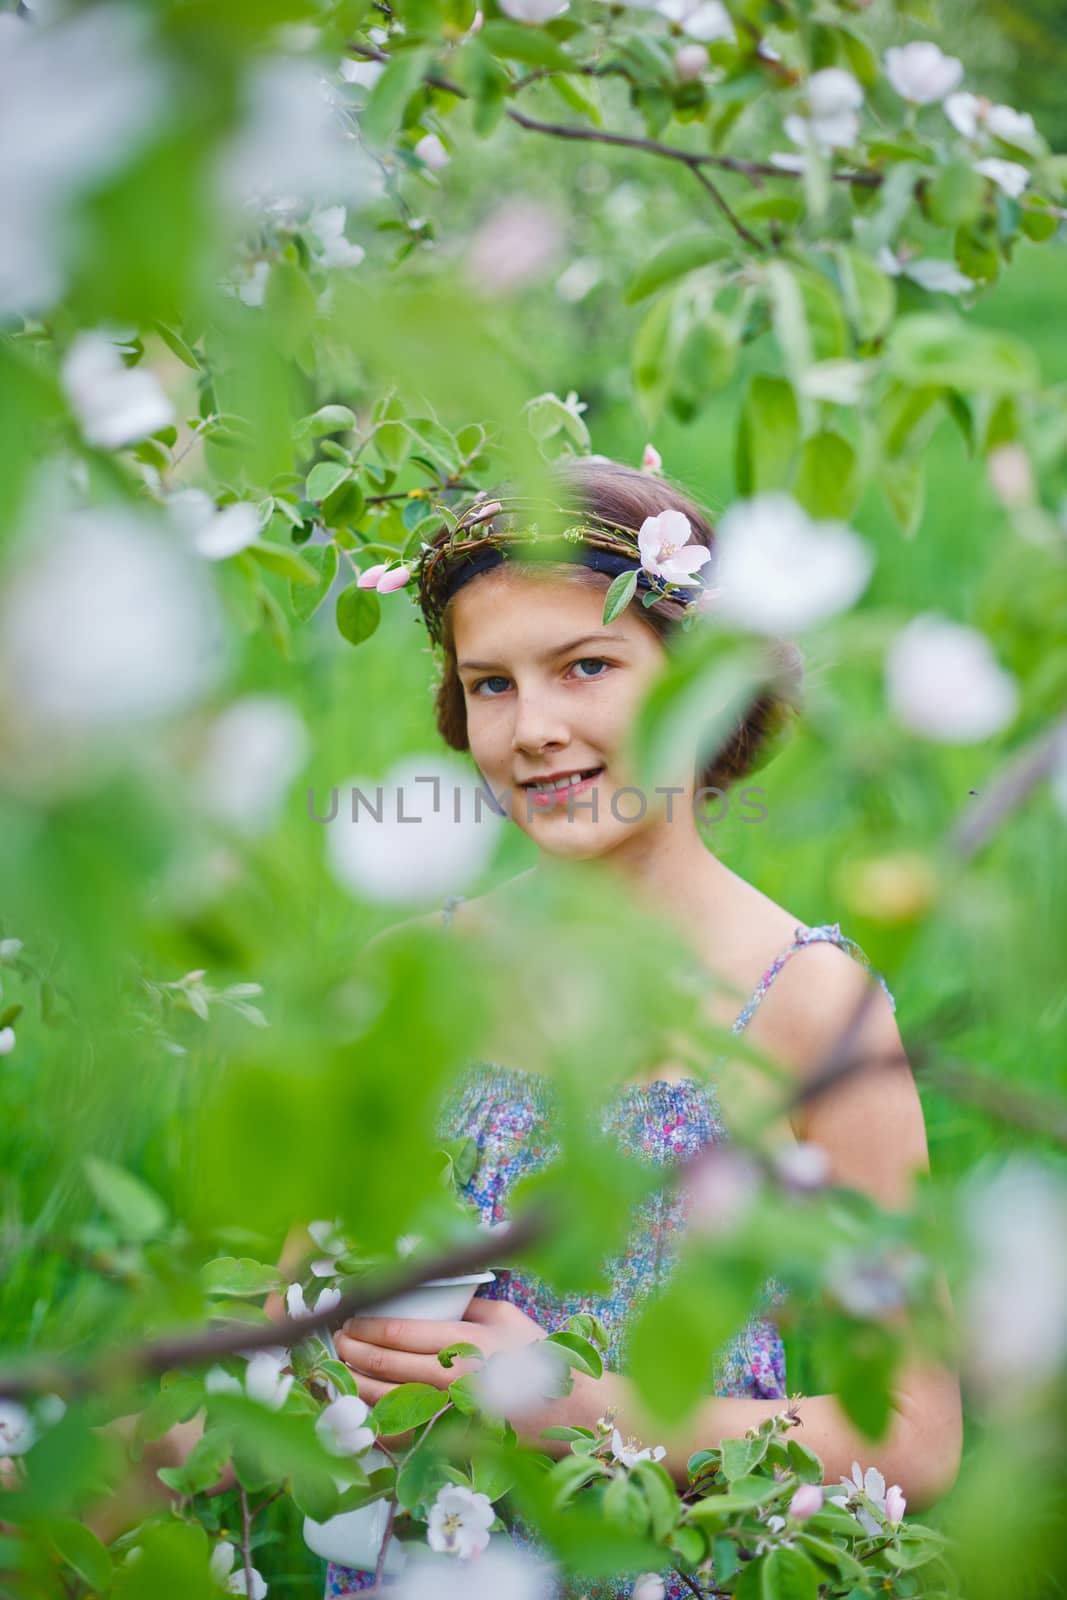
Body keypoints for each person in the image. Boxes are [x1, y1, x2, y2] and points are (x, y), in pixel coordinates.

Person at [325, 457, 963, 1598]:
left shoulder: (805, 1000)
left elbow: (912, 1433)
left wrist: (571, 1406)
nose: (535, 729)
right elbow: (298, 1330)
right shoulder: (415, 973)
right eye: (492, 685)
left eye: (587, 666)